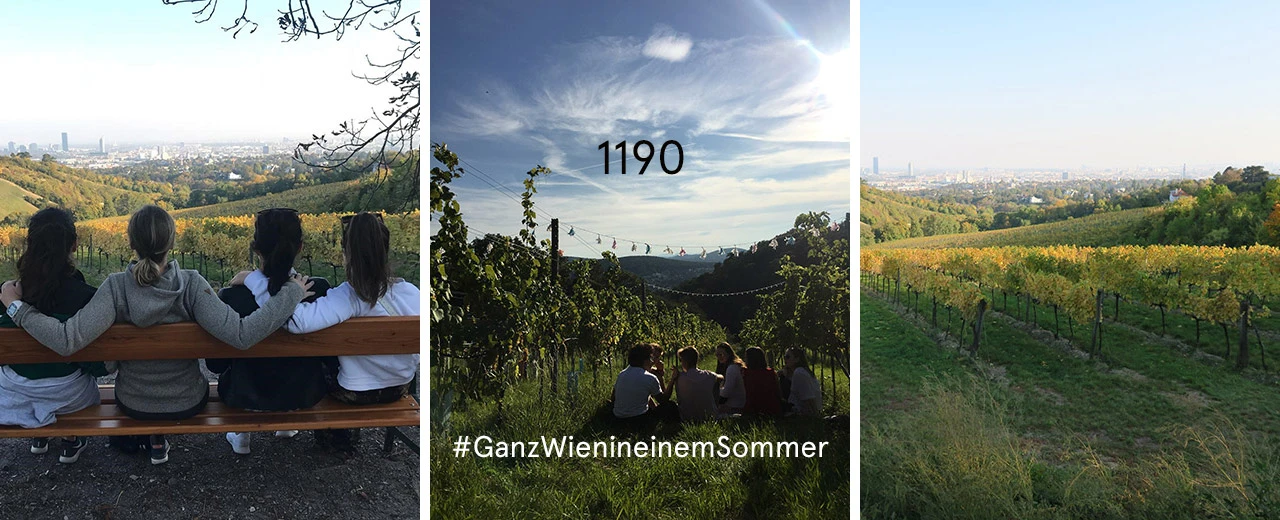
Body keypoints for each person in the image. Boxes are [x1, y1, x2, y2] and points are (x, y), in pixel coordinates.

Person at [0, 205, 311, 465]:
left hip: (132, 401)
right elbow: (242, 335)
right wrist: (290, 295)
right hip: (188, 400)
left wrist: (16, 307)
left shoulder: (115, 287)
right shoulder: (191, 284)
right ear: (171, 241)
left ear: (131, 243)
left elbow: (67, 340)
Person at [270, 212, 420, 453]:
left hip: (355, 392)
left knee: (312, 364)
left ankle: (332, 436)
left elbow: (295, 322)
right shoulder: (413, 293)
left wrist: (289, 288)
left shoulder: (348, 296)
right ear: (386, 250)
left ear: (346, 254)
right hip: (399, 388)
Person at [210, 208, 333, 455]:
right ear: (300, 248)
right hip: (304, 393)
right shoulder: (319, 290)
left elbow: (216, 364)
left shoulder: (231, 296)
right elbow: (331, 358)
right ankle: (286, 425)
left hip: (244, 395)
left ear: (256, 249)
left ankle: (241, 435)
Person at [0, 208, 105, 463]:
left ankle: (39, 432)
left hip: (16, 394)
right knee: (81, 380)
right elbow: (99, 366)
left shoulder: (7, 296)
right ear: (74, 245)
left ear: (30, 245)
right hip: (69, 397)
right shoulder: (86, 297)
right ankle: (70, 439)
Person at [611, 344, 667, 425]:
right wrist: (669, 380)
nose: (652, 361)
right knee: (670, 407)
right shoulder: (650, 377)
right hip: (639, 420)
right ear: (645, 360)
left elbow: (613, 398)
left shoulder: (622, 374)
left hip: (618, 419)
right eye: (651, 358)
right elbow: (663, 401)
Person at [670, 346, 720, 422]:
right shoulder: (708, 375)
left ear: (685, 361)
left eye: (681, 360)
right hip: (710, 418)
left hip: (687, 419)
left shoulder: (679, 377)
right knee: (715, 385)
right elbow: (721, 377)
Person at [740, 347, 781, 416]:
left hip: (753, 408)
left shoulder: (746, 373)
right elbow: (778, 391)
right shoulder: (771, 373)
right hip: (773, 408)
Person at [784, 348, 822, 417]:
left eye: (788, 357)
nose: (785, 359)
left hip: (800, 413)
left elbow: (809, 398)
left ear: (797, 359)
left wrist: (815, 415)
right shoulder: (803, 371)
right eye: (784, 357)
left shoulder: (799, 373)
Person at [715, 343, 746, 415]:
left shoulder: (732, 368)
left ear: (728, 354)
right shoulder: (735, 366)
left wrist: (714, 391)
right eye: (717, 355)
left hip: (736, 406)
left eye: (721, 354)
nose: (719, 357)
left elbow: (726, 392)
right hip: (739, 403)